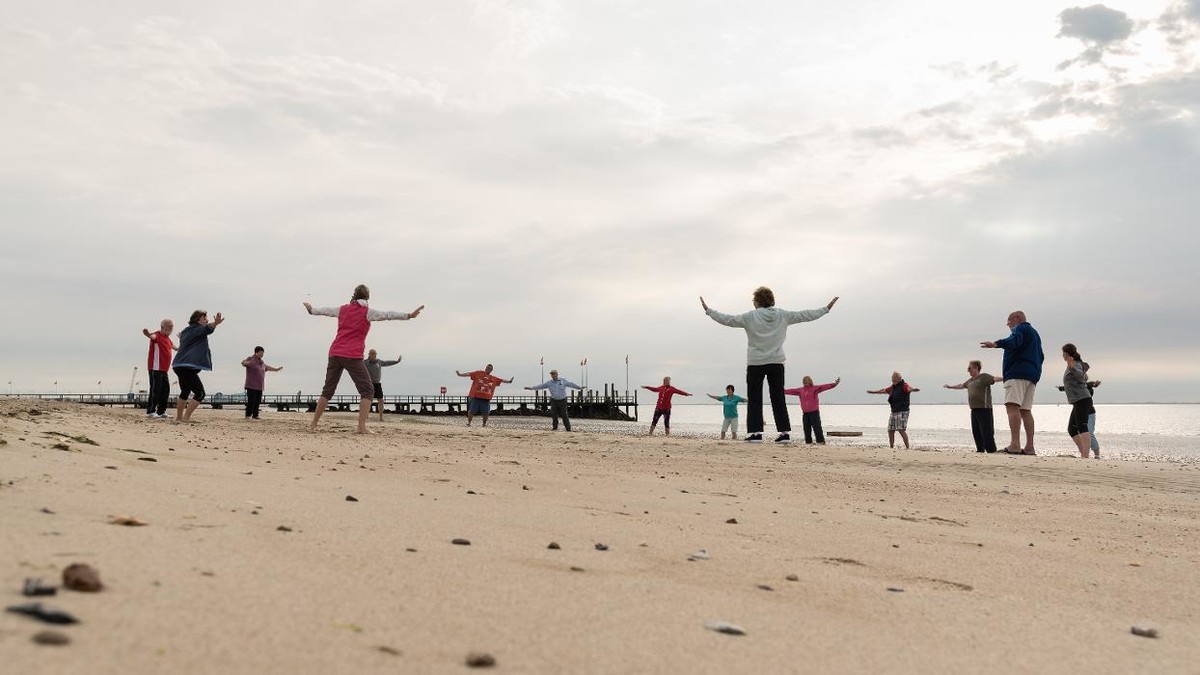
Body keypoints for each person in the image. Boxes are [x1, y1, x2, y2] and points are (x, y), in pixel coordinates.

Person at [701, 288, 838, 443]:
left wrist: (709, 311)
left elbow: (728, 319)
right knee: (778, 397)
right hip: (776, 362)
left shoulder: (750, 317)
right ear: (771, 300)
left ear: (757, 301)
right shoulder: (782, 315)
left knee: (754, 398)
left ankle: (756, 433)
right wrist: (825, 309)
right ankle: (784, 434)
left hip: (756, 362)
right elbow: (805, 315)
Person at [304, 285, 423, 434]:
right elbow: (387, 315)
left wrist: (312, 310)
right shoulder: (367, 312)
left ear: (354, 295)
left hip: (334, 353)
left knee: (327, 390)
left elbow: (326, 311)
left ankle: (313, 424)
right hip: (352, 355)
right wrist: (408, 316)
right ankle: (361, 427)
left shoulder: (343, 309)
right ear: (367, 297)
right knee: (367, 390)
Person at [981, 310, 1044, 455]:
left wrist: (996, 344)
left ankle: (1015, 444)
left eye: (1009, 321)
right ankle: (1029, 447)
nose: (1008, 325)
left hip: (1017, 373)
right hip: (1032, 376)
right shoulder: (1035, 334)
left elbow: (1014, 341)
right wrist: (1036, 373)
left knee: (1012, 406)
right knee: (1026, 410)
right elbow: (1041, 356)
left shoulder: (1021, 328)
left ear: (1016, 318)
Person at [172, 310, 225, 423]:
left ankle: (179, 418)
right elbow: (207, 329)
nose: (207, 320)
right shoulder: (197, 329)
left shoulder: (186, 331)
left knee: (185, 391)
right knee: (200, 393)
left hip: (178, 364)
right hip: (186, 366)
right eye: (204, 318)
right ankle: (186, 418)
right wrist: (215, 323)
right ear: (197, 320)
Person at [943, 361, 1001, 453]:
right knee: (976, 432)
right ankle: (980, 450)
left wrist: (1007, 377)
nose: (968, 370)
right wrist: (950, 387)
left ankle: (991, 450)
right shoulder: (970, 381)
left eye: (970, 368)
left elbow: (995, 379)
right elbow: (961, 385)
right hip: (974, 409)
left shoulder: (984, 377)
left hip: (985, 409)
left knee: (987, 432)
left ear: (976, 368)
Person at [1058, 364, 1102, 459]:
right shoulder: (1075, 385)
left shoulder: (1086, 386)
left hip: (1090, 413)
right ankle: (1084, 453)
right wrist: (1060, 388)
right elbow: (1066, 387)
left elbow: (1090, 384)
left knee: (1089, 432)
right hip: (1079, 409)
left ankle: (1097, 453)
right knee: (1073, 429)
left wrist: (1095, 383)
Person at [867, 372, 920, 449]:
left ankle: (907, 447)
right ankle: (891, 447)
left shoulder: (904, 385)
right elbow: (884, 390)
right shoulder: (893, 387)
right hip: (894, 411)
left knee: (901, 429)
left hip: (903, 411)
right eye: (892, 380)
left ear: (899, 379)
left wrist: (913, 389)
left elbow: (909, 389)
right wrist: (874, 392)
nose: (893, 381)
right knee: (890, 430)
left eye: (895, 380)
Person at [1061, 343, 1096, 459]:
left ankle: (1085, 456)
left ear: (1066, 354)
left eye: (1063, 353)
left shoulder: (1075, 364)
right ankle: (1083, 453)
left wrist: (1072, 367)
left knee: (1082, 426)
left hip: (1082, 399)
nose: (1062, 356)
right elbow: (1082, 379)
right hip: (1078, 400)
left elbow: (1081, 377)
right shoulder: (1072, 365)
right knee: (1072, 429)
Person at [783, 376, 840, 444]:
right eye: (804, 381)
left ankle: (820, 441)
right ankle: (808, 442)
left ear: (810, 381)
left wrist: (834, 384)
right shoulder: (800, 390)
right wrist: (781, 390)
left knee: (817, 427)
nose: (805, 382)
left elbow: (824, 387)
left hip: (814, 412)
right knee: (806, 429)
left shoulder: (815, 388)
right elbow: (790, 391)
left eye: (806, 380)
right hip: (805, 413)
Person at [141, 319, 176, 419]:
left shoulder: (168, 339)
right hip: (155, 368)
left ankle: (161, 412)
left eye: (172, 326)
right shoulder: (157, 335)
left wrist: (183, 340)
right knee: (155, 390)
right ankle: (151, 411)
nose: (171, 328)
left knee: (166, 390)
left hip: (164, 369)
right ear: (162, 327)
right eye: (169, 326)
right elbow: (151, 336)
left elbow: (176, 348)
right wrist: (147, 333)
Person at [242, 346, 282, 420]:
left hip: (259, 386)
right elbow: (244, 363)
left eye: (263, 353)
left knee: (257, 401)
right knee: (252, 401)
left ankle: (255, 415)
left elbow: (267, 367)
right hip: (251, 385)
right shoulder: (251, 359)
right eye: (260, 353)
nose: (262, 355)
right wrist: (244, 362)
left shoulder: (261, 363)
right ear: (256, 352)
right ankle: (248, 415)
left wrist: (276, 369)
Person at [365, 349, 402, 422]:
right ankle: (366, 417)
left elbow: (387, 363)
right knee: (368, 400)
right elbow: (358, 366)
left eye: (374, 354)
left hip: (377, 384)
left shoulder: (379, 362)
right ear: (369, 355)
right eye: (371, 354)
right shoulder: (365, 362)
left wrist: (396, 362)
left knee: (381, 400)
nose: (373, 355)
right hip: (369, 384)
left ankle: (381, 417)